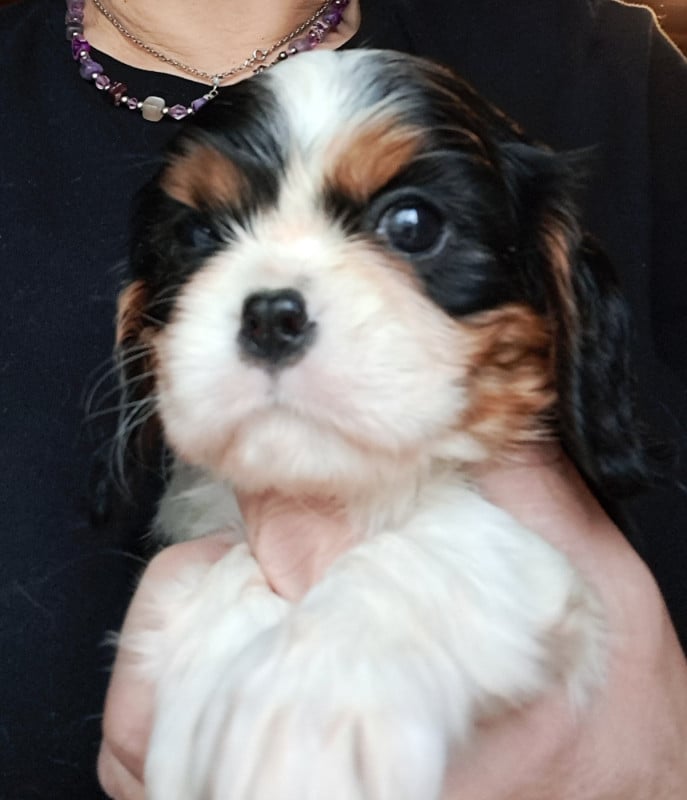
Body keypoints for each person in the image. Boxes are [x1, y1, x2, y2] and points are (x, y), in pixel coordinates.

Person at [0, 0, 685, 798]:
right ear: (140, 324)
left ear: (557, 285)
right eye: (202, 238)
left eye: (410, 224)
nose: (274, 299)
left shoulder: (612, 70)